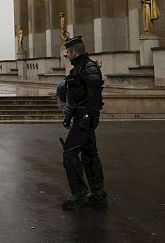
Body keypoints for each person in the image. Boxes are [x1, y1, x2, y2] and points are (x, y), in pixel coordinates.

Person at [59, 36, 106, 210]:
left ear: (73, 51)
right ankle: (98, 193)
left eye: (67, 53)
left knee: (69, 154)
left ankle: (78, 193)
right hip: (80, 117)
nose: (67, 56)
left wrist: (87, 118)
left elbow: (94, 98)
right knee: (89, 155)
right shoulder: (78, 68)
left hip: (86, 118)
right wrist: (68, 115)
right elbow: (75, 98)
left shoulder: (89, 68)